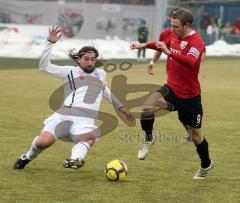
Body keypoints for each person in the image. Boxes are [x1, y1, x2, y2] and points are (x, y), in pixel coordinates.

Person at [13, 25, 135, 170]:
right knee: (43, 143)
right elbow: (44, 67)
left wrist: (121, 107)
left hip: (85, 119)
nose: (90, 62)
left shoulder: (100, 74)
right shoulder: (69, 72)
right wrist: (50, 43)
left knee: (89, 137)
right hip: (64, 116)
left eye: (93, 59)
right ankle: (27, 157)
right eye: (87, 59)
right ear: (78, 60)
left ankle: (76, 159)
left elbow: (105, 91)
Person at [130, 8, 213, 179]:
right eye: (171, 25)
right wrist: (143, 45)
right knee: (147, 106)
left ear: (187, 25)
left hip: (190, 96)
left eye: (176, 26)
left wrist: (170, 53)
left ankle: (206, 164)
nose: (172, 29)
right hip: (171, 88)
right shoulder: (173, 34)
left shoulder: (196, 41)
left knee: (196, 135)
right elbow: (162, 44)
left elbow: (191, 61)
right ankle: (148, 138)